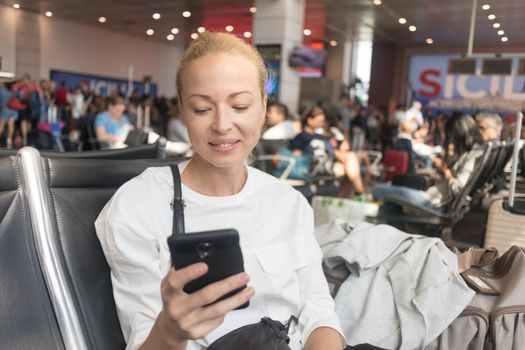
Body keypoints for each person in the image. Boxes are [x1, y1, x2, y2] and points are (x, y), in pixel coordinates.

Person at [95, 32, 345, 350]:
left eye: (240, 105)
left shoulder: (288, 202)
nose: (222, 124)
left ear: (264, 106)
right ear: (183, 111)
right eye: (202, 109)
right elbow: (143, 339)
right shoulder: (138, 205)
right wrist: (169, 333)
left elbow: (318, 313)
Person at [374, 114, 485, 210]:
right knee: (391, 197)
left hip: (433, 202)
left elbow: (458, 189)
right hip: (432, 196)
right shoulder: (474, 152)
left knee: (378, 190)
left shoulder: (473, 155)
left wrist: (444, 169)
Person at [291, 106, 365, 197]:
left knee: (349, 164)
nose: (322, 124)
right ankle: (359, 194)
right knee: (350, 162)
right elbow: (297, 155)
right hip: (314, 166)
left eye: (322, 121)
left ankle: (353, 195)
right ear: (310, 120)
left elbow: (333, 152)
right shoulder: (300, 138)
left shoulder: (320, 136)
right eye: (319, 121)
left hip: (328, 164)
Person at [0, 81, 19, 148]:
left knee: (1, 125)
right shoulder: (14, 90)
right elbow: (21, 97)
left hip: (5, 109)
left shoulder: (2, 90)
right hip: (13, 110)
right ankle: (9, 139)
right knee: (11, 125)